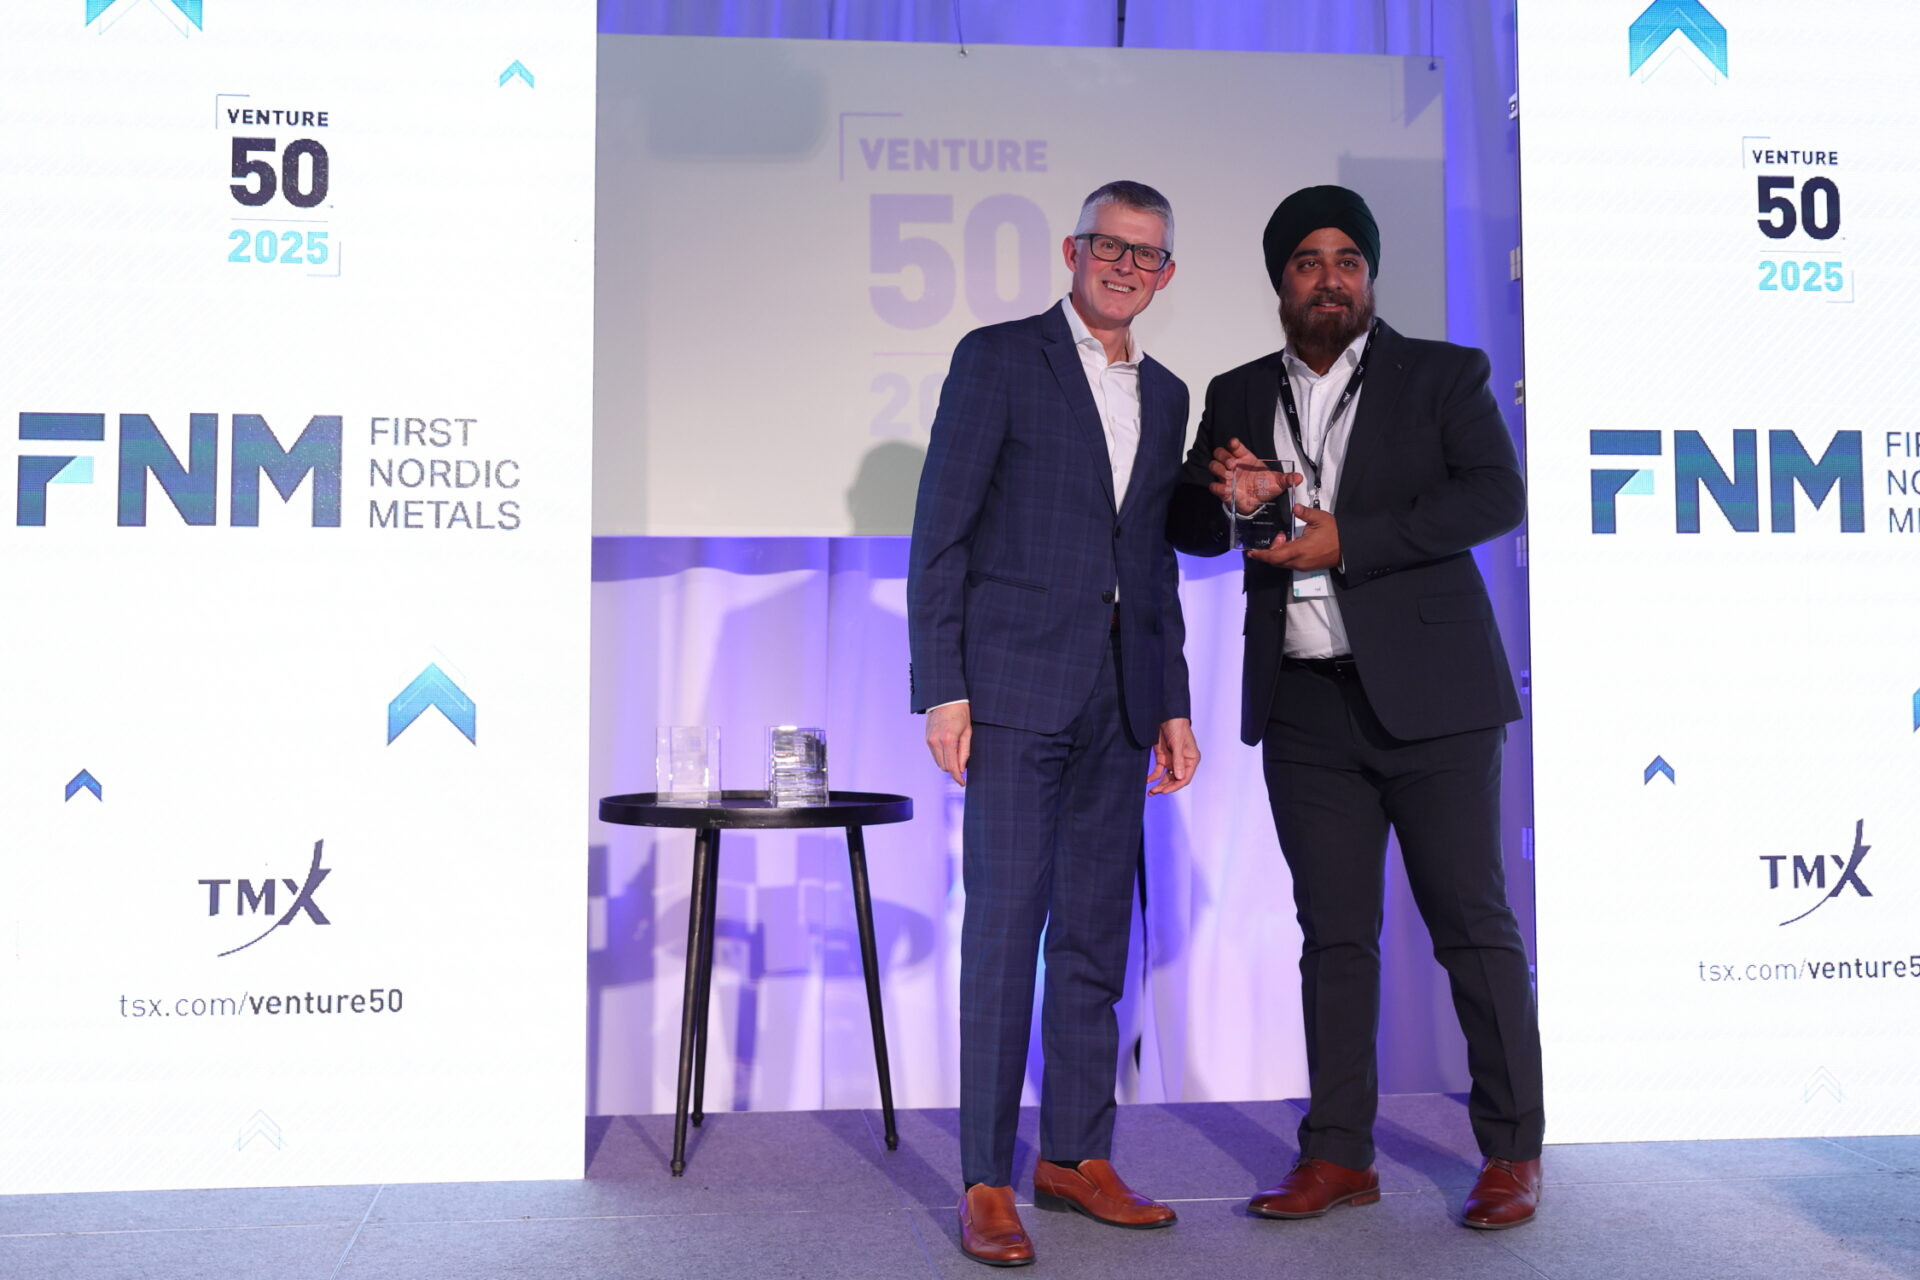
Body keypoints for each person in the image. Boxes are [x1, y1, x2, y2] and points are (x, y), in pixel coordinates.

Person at [1166, 185, 1545, 1230]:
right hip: (1303, 704)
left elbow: (1495, 494)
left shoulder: (1444, 374)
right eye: (1308, 261)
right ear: (1281, 281)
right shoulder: (1240, 391)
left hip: (1437, 702)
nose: (1329, 278)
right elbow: (1190, 525)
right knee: (1334, 935)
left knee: (1472, 925)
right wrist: (1229, 500)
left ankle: (1512, 1148)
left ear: (1369, 276)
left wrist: (1352, 538)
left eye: (1348, 260)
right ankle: (1338, 1154)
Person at [908, 179, 1202, 1267]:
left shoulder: (1166, 392)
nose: (1125, 266)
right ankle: (987, 1177)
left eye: (1145, 254)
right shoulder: (998, 358)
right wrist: (944, 686)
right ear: (1072, 252)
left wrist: (1171, 701)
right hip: (1015, 693)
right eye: (1107, 246)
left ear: (1166, 275)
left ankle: (1076, 1156)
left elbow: (1152, 562)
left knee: (1093, 937)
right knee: (1002, 934)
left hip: (1120, 701)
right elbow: (941, 531)